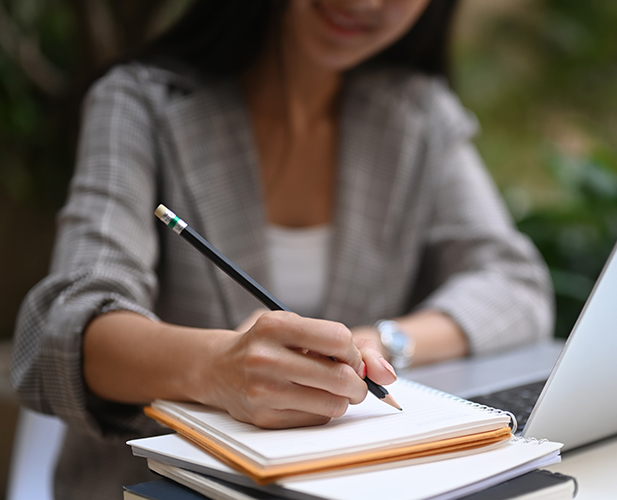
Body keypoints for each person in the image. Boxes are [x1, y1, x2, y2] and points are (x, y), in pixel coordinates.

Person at [12, 0, 554, 498]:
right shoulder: (142, 102)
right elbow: (60, 330)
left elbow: (515, 283)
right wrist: (214, 368)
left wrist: (380, 342)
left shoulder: (418, 114)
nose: (365, 3)